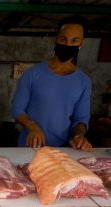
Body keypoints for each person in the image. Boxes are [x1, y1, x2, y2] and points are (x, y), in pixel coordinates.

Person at [10, 15, 92, 152]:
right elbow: (17, 109)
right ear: (55, 39)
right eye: (63, 39)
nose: (68, 44)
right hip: (29, 147)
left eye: (74, 41)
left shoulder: (84, 81)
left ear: (81, 43)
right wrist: (33, 127)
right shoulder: (32, 74)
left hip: (62, 150)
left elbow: (81, 119)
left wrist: (79, 136)